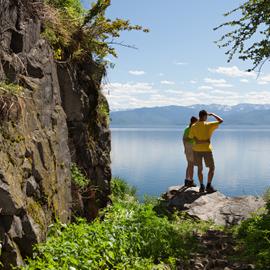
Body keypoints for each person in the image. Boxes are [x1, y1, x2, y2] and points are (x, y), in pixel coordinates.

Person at [189, 110, 223, 193]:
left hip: (196, 150)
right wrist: (213, 114)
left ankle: (201, 186)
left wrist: (198, 142)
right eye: (206, 116)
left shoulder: (193, 126)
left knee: (199, 169)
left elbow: (190, 139)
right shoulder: (208, 125)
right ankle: (208, 185)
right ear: (205, 116)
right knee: (212, 168)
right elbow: (221, 120)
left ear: (199, 116)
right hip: (207, 150)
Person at [183, 116, 198, 187]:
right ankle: (190, 181)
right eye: (197, 122)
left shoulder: (187, 128)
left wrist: (185, 148)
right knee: (191, 165)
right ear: (194, 122)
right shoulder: (193, 129)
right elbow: (188, 139)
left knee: (189, 164)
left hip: (187, 147)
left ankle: (186, 180)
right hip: (192, 147)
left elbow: (183, 139)